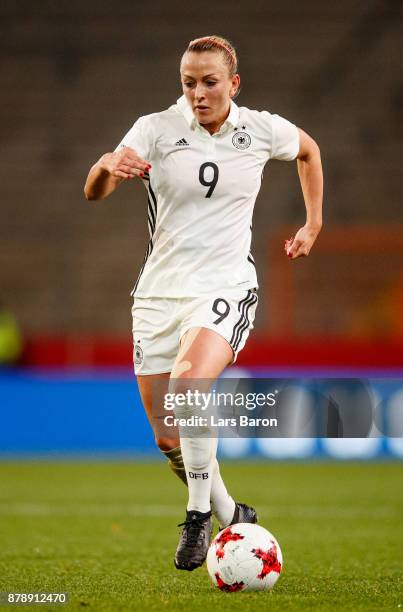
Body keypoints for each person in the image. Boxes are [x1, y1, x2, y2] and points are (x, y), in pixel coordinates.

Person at [84, 35, 323, 571]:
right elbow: (94, 191)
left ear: (233, 83)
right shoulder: (154, 129)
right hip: (157, 296)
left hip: (224, 287)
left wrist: (313, 221)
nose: (198, 92)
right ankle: (231, 511)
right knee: (168, 432)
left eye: (209, 82)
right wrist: (105, 164)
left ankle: (196, 518)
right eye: (189, 82)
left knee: (189, 387)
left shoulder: (260, 128)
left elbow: (308, 150)